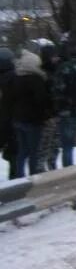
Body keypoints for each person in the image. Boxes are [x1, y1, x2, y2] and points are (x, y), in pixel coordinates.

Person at [9, 50, 53, 178]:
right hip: (32, 120)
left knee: (22, 151)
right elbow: (41, 100)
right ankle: (34, 177)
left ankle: (19, 176)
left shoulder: (16, 78)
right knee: (34, 151)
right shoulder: (36, 79)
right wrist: (45, 115)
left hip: (17, 119)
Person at [37, 41, 62, 171]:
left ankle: (52, 166)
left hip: (56, 113)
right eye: (54, 56)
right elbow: (42, 97)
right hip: (48, 115)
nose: (57, 58)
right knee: (45, 145)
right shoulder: (43, 74)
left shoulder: (56, 71)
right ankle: (41, 170)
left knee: (55, 145)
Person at [0, 48, 18, 179]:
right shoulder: (17, 77)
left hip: (4, 119)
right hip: (13, 119)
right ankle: (14, 178)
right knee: (14, 153)